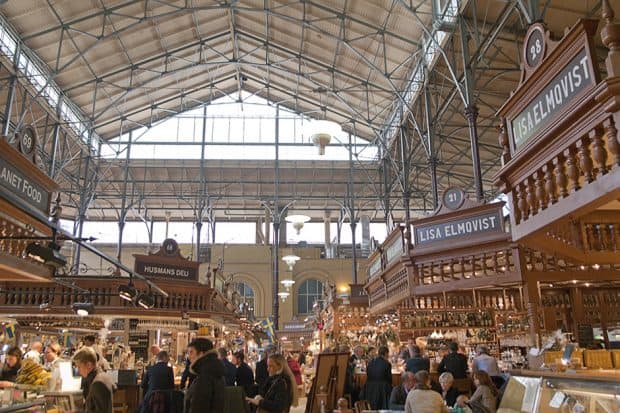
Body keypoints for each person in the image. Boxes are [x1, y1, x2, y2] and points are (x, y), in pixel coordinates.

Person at [184, 338, 225, 413]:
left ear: (201, 354)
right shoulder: (215, 372)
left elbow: (198, 406)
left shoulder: (205, 376)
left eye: (191, 352)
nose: (188, 356)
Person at [74, 348, 114, 413]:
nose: (78, 371)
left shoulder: (98, 383)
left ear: (89, 365)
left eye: (79, 367)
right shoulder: (101, 375)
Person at [362, 346, 392, 410]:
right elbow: (389, 379)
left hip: (370, 389)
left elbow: (368, 375)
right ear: (386, 353)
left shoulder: (370, 363)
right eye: (388, 354)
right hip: (383, 389)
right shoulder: (387, 364)